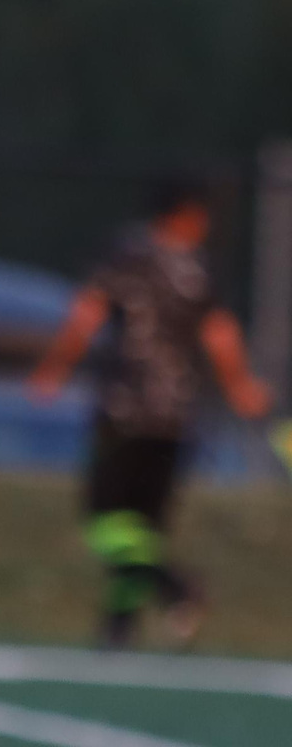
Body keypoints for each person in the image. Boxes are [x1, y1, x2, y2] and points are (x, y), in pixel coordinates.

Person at [27, 178, 273, 648]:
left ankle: (173, 585)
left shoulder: (126, 254)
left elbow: (87, 313)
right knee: (142, 526)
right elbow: (220, 333)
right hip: (177, 415)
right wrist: (240, 387)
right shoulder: (196, 270)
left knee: (104, 521)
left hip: (126, 408)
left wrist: (54, 368)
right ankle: (118, 627)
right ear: (184, 215)